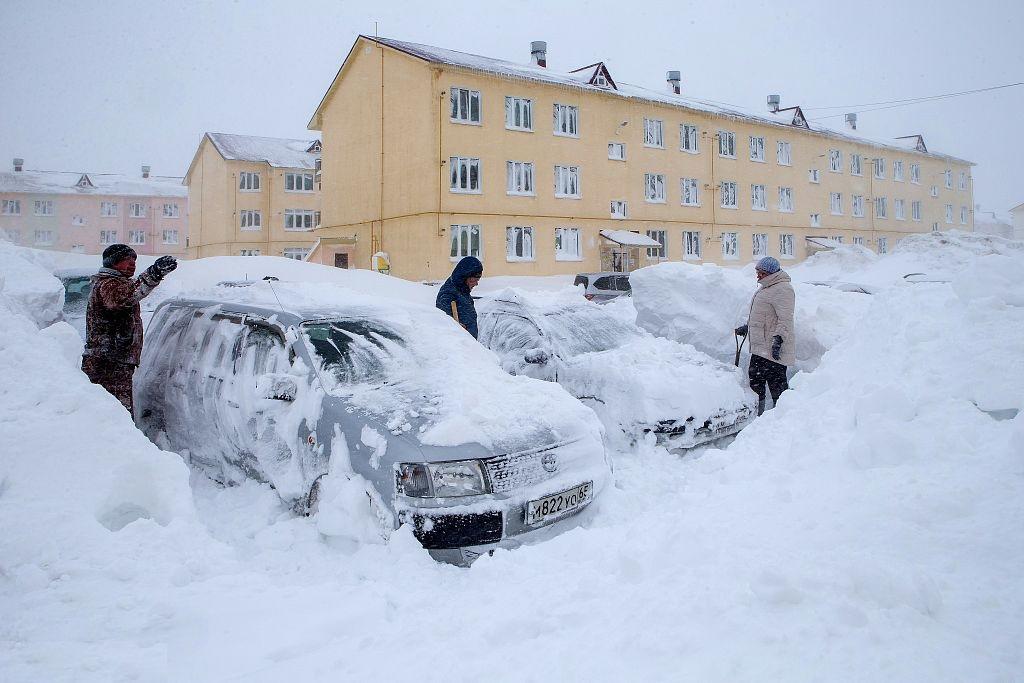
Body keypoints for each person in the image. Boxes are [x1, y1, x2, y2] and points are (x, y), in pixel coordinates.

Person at [81, 244, 178, 413]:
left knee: (113, 413)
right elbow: (125, 296)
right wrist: (154, 273)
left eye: (134, 260)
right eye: (127, 260)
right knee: (114, 414)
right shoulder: (108, 284)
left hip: (113, 361)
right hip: (107, 364)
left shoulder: (115, 283)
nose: (132, 263)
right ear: (113, 263)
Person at [734, 256, 795, 416]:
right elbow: (765, 316)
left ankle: (783, 418)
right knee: (755, 383)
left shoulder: (783, 289)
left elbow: (785, 319)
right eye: (757, 272)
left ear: (770, 273)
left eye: (760, 273)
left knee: (778, 388)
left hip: (773, 349)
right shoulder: (767, 287)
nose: (758, 275)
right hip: (760, 348)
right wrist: (748, 327)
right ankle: (757, 417)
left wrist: (779, 339)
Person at [436, 256, 483, 339]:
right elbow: (443, 324)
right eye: (474, 280)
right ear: (465, 277)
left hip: (469, 347)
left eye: (478, 280)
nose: (476, 284)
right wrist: (455, 327)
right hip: (459, 348)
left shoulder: (463, 291)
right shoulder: (448, 294)